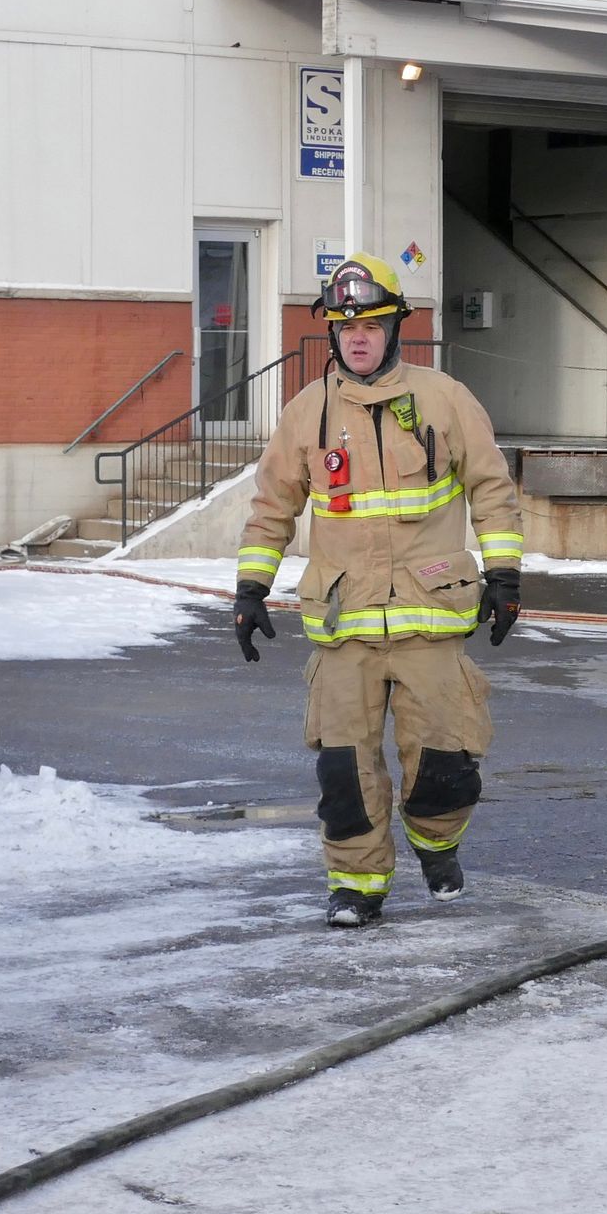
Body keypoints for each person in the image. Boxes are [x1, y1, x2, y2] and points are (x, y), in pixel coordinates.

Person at [233, 255, 526, 928]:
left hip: (431, 618)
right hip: (344, 625)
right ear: (332, 333)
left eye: (371, 324)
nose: (357, 337)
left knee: (443, 766)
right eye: (344, 326)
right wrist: (251, 587)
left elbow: (492, 488)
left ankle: (437, 845)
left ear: (396, 326)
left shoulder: (445, 398)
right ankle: (356, 887)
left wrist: (505, 574)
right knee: (344, 773)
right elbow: (272, 506)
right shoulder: (307, 413)